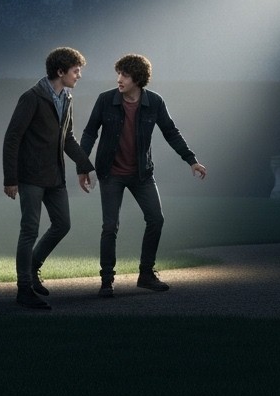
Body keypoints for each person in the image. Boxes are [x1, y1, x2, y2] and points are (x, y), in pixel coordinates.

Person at [80, 53, 206, 297]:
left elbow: (171, 132)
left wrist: (192, 160)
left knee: (156, 219)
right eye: (118, 73)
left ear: (137, 78)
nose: (119, 79)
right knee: (109, 226)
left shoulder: (155, 102)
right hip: (110, 173)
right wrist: (82, 166)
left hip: (142, 174)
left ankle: (146, 274)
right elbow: (89, 133)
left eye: (124, 75)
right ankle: (107, 280)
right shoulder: (105, 100)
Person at [2, 46, 95, 310]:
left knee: (62, 224)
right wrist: (11, 179)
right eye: (76, 71)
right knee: (29, 230)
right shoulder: (31, 97)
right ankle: (24, 290)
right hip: (30, 177)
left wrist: (87, 165)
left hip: (55, 177)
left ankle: (32, 269)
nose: (79, 76)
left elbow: (68, 139)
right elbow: (12, 138)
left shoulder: (67, 98)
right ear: (60, 71)